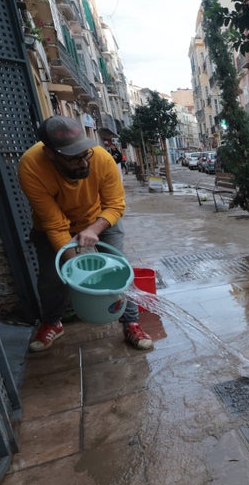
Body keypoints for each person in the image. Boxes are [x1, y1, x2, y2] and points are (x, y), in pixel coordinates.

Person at [19, 115, 153, 352]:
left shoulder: (100, 158)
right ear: (51, 153)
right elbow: (54, 224)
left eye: (85, 154)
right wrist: (77, 269)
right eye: (73, 158)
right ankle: (52, 322)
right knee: (52, 278)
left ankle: (131, 321)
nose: (83, 163)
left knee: (119, 268)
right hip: (52, 225)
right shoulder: (31, 166)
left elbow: (115, 205)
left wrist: (94, 229)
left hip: (100, 218)